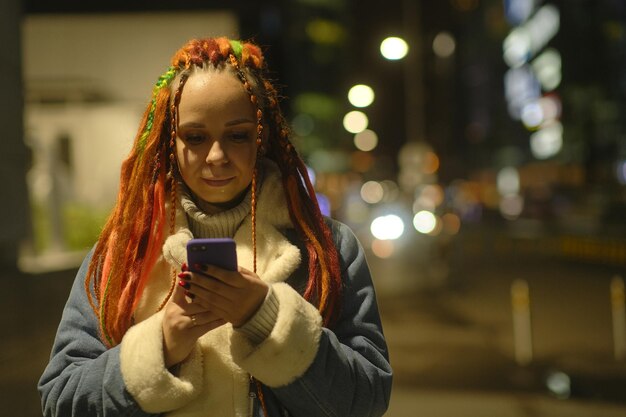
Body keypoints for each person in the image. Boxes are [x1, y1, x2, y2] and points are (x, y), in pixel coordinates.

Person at [38, 36, 392, 417]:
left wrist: (267, 318)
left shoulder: (326, 248)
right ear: (168, 142)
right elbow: (61, 400)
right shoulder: (121, 254)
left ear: (262, 136)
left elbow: (366, 400)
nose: (217, 156)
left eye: (237, 135)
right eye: (195, 137)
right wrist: (162, 342)